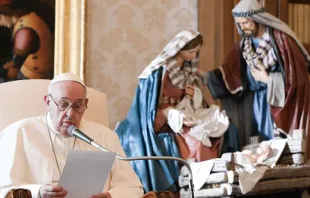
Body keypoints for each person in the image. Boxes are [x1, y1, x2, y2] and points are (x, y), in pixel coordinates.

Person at [116, 30, 239, 193]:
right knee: (198, 140)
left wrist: (194, 95)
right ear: (179, 50)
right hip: (167, 120)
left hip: (186, 113)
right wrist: (173, 115)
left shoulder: (188, 70)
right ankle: (199, 185)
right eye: (190, 52)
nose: (193, 56)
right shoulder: (160, 73)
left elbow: (196, 102)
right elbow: (152, 107)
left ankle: (218, 179)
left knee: (224, 127)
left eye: (196, 52)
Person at [0, 73, 144, 198]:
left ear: (85, 104)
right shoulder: (19, 132)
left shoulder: (105, 136)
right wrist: (39, 192)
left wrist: (111, 196)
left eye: (77, 106)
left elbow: (133, 188)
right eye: (63, 104)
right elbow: (3, 189)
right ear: (48, 102)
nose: (70, 113)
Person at [204, 0, 310, 156]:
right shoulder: (245, 43)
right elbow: (230, 71)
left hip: (276, 99)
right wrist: (207, 76)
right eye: (239, 24)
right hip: (255, 100)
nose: (243, 27)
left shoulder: (280, 39)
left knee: (274, 141)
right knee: (258, 140)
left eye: (246, 22)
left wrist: (268, 79)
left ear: (257, 19)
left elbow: (298, 77)